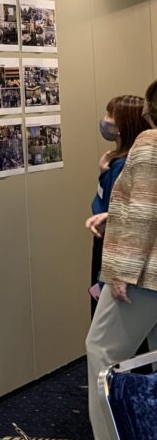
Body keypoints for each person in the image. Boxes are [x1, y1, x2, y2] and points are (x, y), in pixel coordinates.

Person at [69, 81, 157, 440]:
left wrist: (121, 271)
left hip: (144, 274)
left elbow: (143, 210)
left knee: (102, 350)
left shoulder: (150, 142)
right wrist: (114, 215)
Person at [87, 96, 147, 315]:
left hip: (114, 244)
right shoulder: (115, 160)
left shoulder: (123, 164)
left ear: (124, 124)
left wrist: (105, 175)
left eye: (110, 115)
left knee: (104, 315)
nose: (105, 120)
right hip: (105, 240)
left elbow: (110, 206)